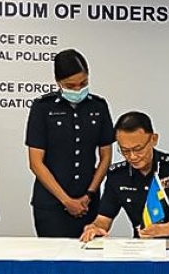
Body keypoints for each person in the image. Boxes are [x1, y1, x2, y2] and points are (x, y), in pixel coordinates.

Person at [26, 49, 114, 237]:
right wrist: (66, 201)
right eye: (70, 86)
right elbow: (35, 162)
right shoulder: (43, 108)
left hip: (88, 202)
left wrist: (89, 194)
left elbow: (106, 156)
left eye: (83, 83)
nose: (77, 89)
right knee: (54, 254)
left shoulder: (98, 106)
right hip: (51, 204)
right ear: (58, 82)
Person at [80, 112, 169, 242]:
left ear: (153, 139)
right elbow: (103, 219)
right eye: (125, 150)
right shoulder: (117, 175)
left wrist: (158, 231)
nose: (132, 156)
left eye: (138, 149)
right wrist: (95, 228)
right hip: (142, 246)